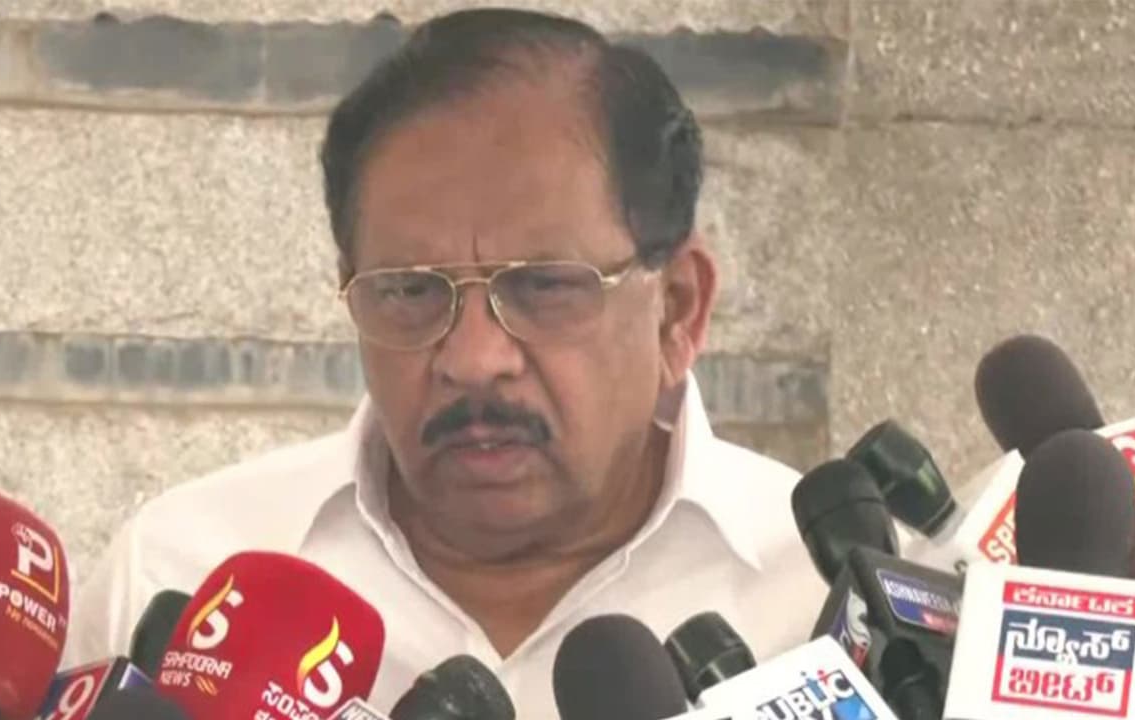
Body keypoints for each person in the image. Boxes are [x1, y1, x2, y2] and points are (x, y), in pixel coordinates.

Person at [64, 7, 825, 713]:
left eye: (544, 286)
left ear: (678, 309)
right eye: (409, 291)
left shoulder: (823, 602)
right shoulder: (180, 579)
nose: (474, 359)